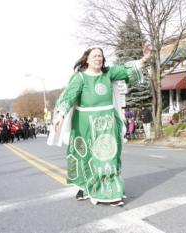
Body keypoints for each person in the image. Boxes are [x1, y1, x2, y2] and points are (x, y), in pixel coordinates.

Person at [48, 45, 150, 206]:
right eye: (94, 56)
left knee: (107, 156)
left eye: (100, 56)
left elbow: (125, 70)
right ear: (87, 59)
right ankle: (85, 186)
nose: (98, 58)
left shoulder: (108, 73)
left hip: (108, 122)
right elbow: (69, 96)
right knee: (86, 157)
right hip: (85, 123)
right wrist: (59, 115)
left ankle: (110, 193)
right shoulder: (80, 77)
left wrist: (144, 60)